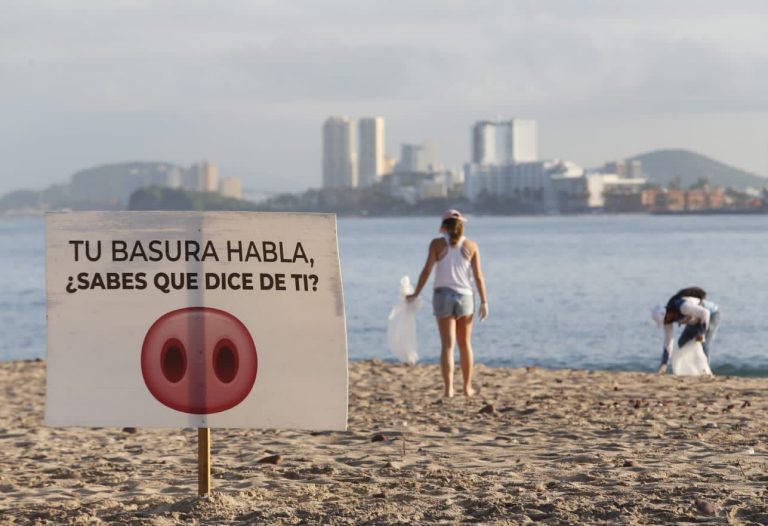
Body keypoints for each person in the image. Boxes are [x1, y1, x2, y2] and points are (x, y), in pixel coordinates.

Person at [406, 209, 488, 397]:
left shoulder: (437, 244)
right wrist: (484, 301)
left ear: (443, 226)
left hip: (442, 296)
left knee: (447, 345)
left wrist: (416, 293)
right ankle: (467, 387)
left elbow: (426, 271)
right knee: (465, 344)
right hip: (465, 297)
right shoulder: (471, 245)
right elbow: (478, 276)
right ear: (461, 225)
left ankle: (449, 389)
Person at [651, 286, 720, 374]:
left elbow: (705, 313)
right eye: (663, 321)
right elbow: (669, 341)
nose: (666, 322)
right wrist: (664, 363)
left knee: (702, 343)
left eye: (665, 320)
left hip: (711, 315)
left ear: (667, 313)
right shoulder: (668, 320)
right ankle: (692, 370)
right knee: (682, 343)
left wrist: (701, 333)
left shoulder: (683, 307)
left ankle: (705, 371)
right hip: (695, 320)